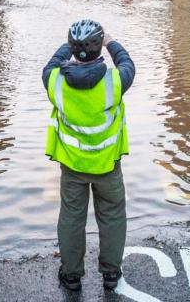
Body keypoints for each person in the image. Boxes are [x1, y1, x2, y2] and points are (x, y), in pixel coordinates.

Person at [42, 19, 136, 292]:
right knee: (113, 217)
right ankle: (110, 275)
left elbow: (51, 63)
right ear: (98, 50)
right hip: (108, 165)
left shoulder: (55, 82)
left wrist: (68, 47)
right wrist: (110, 41)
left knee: (71, 218)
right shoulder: (116, 81)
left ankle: (71, 277)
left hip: (72, 166)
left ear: (73, 49)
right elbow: (127, 61)